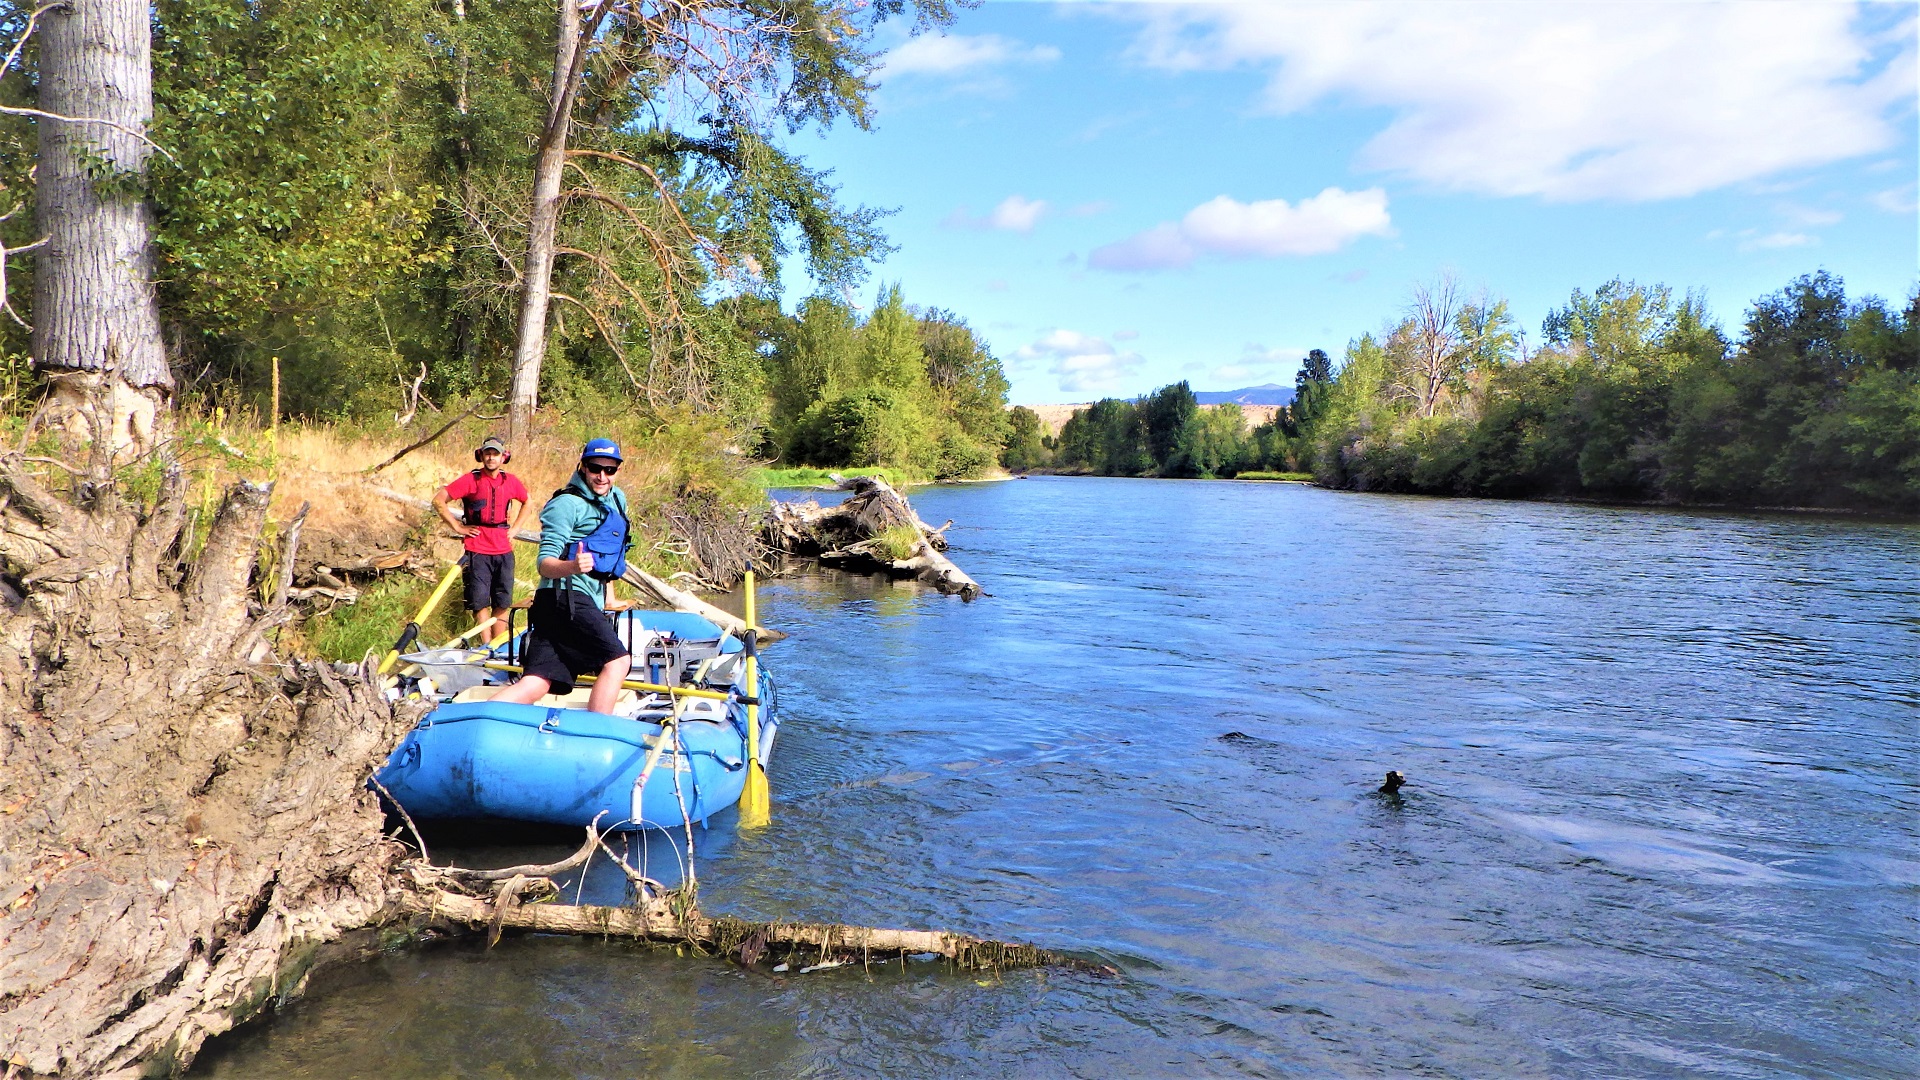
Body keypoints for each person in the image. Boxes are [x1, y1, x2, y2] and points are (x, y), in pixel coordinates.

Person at [492, 439, 635, 714]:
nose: (602, 476)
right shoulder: (566, 505)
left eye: (610, 469)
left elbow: (612, 553)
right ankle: (597, 731)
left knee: (538, 682)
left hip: (580, 600)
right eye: (595, 468)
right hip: (562, 599)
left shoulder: (617, 498)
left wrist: (610, 598)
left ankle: (483, 718)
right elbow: (544, 564)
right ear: (582, 466)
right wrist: (572, 566)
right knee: (617, 662)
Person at [434, 436, 530, 644]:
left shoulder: (510, 481)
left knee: (503, 600)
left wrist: (515, 530)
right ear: (481, 455)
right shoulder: (471, 479)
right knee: (479, 601)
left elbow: (527, 502)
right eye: (487, 453)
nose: (491, 458)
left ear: (503, 457)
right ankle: (487, 647)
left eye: (495, 454)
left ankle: (500, 644)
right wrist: (458, 527)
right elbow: (439, 500)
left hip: (503, 548)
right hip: (477, 547)